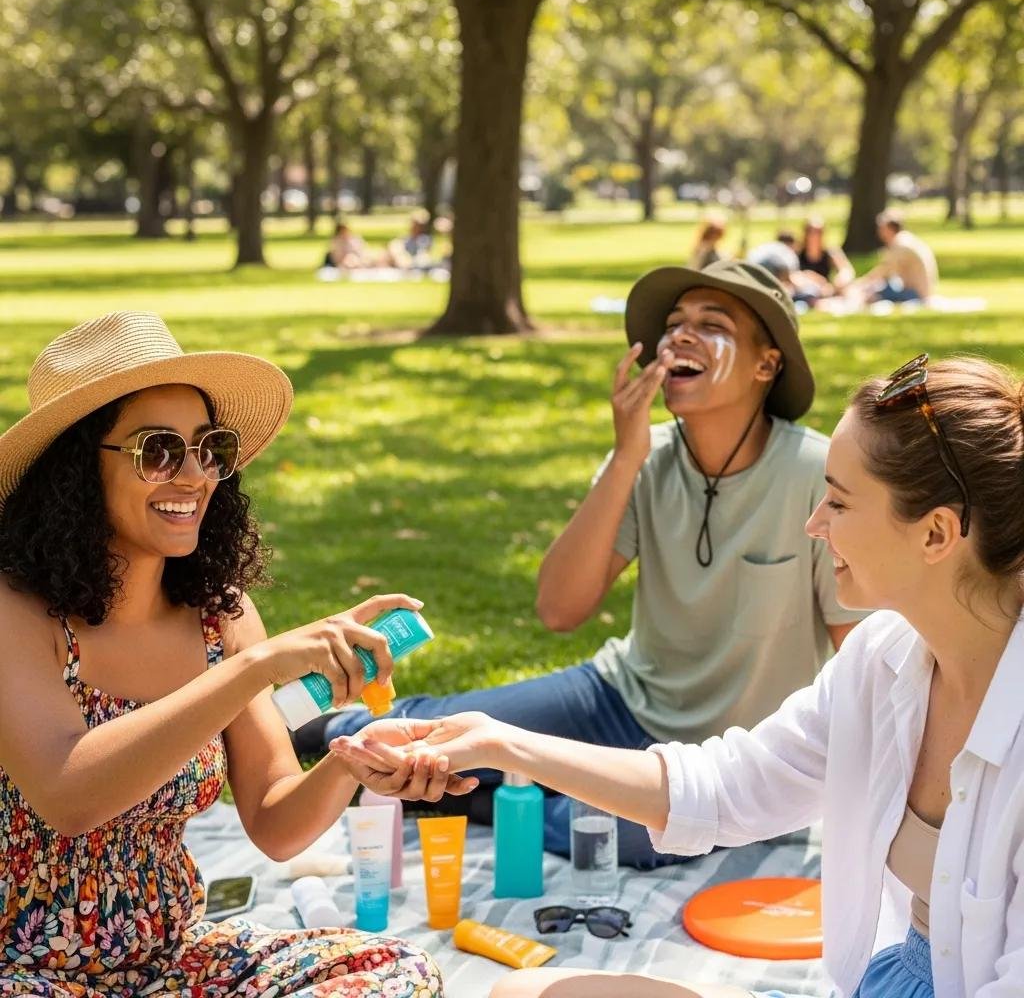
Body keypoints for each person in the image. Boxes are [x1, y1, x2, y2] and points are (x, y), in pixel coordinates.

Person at [336, 353, 1024, 998]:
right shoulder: (883, 660)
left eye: (839, 503)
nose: (814, 524)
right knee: (527, 989)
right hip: (896, 975)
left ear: (936, 534)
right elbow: (725, 788)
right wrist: (499, 743)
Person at [311, 260, 860, 869]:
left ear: (767, 364)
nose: (679, 335)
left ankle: (498, 787)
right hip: (616, 697)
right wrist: (626, 454)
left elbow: (860, 655)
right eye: (674, 323)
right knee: (432, 733)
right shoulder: (644, 456)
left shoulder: (816, 475)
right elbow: (560, 608)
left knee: (598, 831)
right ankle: (325, 729)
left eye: (713, 323)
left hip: (725, 757)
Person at [0, 312, 449, 997]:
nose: (193, 475)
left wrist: (349, 760)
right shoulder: (15, 610)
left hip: (172, 962)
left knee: (394, 972)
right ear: (76, 470)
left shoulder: (220, 618)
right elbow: (70, 794)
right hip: (26, 973)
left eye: (210, 448)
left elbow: (274, 819)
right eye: (158, 451)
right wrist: (250, 671)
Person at [852, 209, 938, 304]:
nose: (879, 232)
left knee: (873, 293)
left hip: (916, 294)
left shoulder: (900, 244)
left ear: (889, 228)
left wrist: (860, 283)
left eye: (881, 228)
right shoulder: (906, 239)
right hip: (921, 290)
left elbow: (884, 271)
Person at [796, 217, 854, 297]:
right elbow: (793, 275)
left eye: (818, 232)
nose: (815, 236)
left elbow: (846, 270)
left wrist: (841, 279)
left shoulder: (830, 252)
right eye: (811, 232)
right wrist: (815, 279)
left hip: (826, 290)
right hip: (805, 289)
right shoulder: (797, 254)